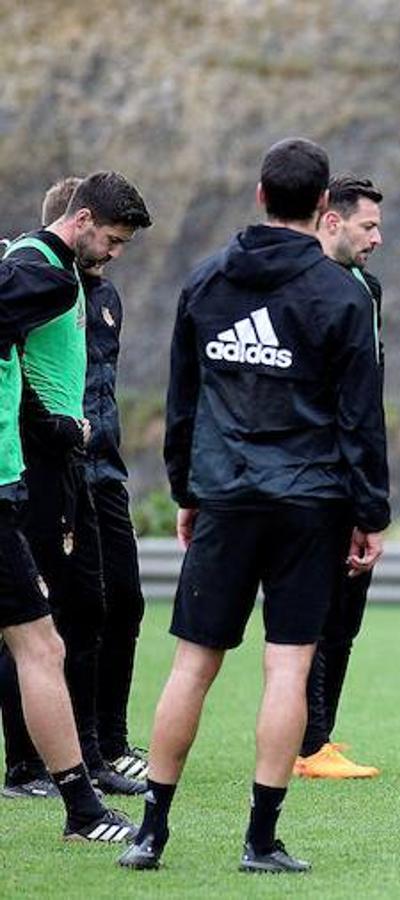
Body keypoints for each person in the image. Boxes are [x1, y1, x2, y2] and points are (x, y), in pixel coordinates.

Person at [119, 138, 388, 873]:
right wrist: (372, 513)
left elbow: (183, 402)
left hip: (226, 498)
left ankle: (151, 833)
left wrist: (185, 491)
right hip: (312, 503)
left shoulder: (206, 282)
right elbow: (360, 417)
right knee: (286, 671)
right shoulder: (341, 295)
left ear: (260, 195)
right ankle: (259, 840)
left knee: (191, 667)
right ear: (322, 207)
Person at [0, 172, 152, 801]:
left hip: (61, 463)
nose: (115, 254)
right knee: (41, 622)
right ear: (82, 218)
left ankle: (83, 756)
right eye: (113, 240)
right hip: (35, 467)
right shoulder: (43, 271)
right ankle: (38, 767)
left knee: (79, 611)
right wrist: (56, 424)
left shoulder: (66, 277)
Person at [296, 174, 387, 780]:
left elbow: (367, 396)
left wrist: (372, 495)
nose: (377, 237)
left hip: (354, 473)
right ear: (332, 220)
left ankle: (320, 733)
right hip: (316, 476)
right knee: (317, 609)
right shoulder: (303, 284)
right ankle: (307, 742)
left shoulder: (366, 288)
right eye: (368, 226)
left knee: (345, 614)